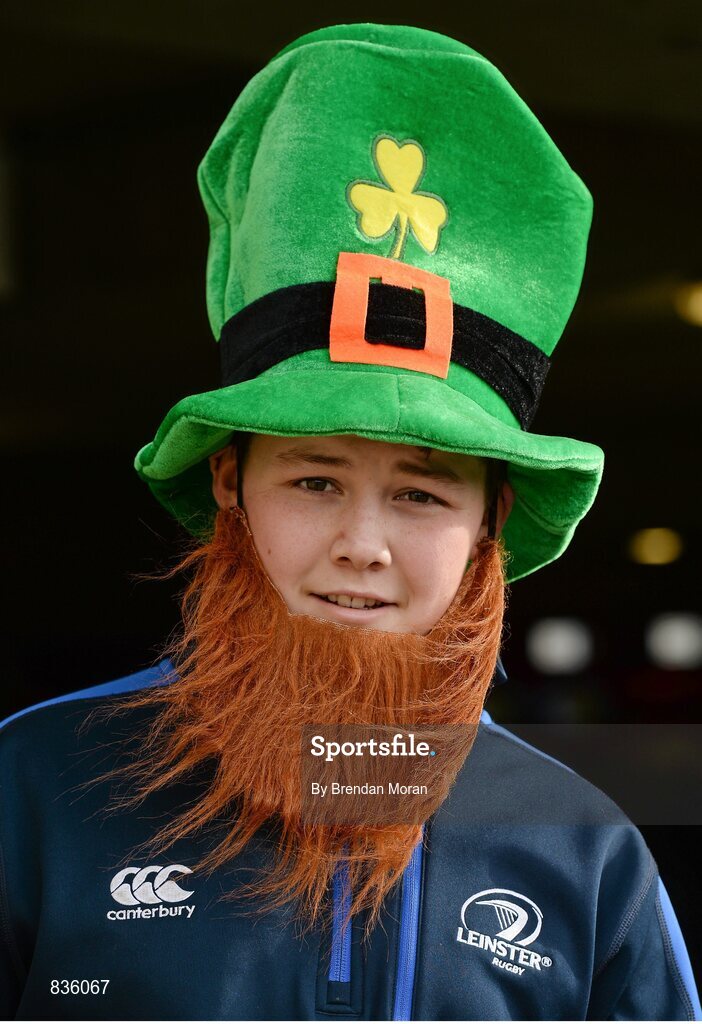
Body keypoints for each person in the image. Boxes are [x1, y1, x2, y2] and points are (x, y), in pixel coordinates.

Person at [0, 22, 699, 1022]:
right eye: (315, 481)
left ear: (489, 525)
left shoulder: (582, 851)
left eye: (421, 493)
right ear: (232, 485)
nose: (362, 544)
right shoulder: (36, 792)